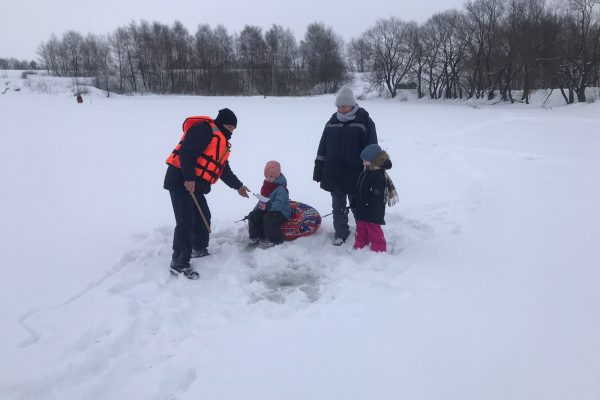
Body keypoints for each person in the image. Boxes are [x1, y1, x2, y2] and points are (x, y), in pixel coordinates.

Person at [164, 108, 250, 279]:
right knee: (186, 221)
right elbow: (186, 153)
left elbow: (222, 168)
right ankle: (179, 263)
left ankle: (199, 248)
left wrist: (238, 186)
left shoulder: (221, 141)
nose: (232, 131)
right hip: (181, 181)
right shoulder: (204, 130)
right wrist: (189, 178)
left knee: (203, 216)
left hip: (194, 185)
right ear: (224, 124)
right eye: (231, 127)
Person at [312, 85, 378, 246]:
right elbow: (323, 148)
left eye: (344, 106)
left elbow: (372, 149)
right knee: (338, 205)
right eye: (339, 106)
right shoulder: (331, 123)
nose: (341, 109)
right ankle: (341, 232)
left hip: (356, 173)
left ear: (352, 105)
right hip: (333, 172)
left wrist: (371, 172)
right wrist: (318, 169)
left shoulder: (365, 122)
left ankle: (363, 232)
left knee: (358, 205)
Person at [351, 144, 398, 252]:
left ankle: (379, 249)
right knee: (361, 228)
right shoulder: (366, 172)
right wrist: (355, 202)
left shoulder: (378, 175)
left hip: (373, 210)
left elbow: (377, 195)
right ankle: (360, 245)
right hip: (362, 208)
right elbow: (359, 190)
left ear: (374, 160)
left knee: (373, 230)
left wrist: (369, 203)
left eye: (365, 160)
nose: (363, 162)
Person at [247, 161, 291, 248]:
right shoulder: (267, 186)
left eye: (271, 176)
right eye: (266, 176)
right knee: (253, 215)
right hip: (269, 209)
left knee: (269, 219)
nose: (268, 178)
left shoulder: (281, 189)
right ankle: (257, 236)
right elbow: (262, 200)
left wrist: (269, 206)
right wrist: (256, 210)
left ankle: (277, 241)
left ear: (277, 176)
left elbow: (279, 204)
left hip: (281, 212)